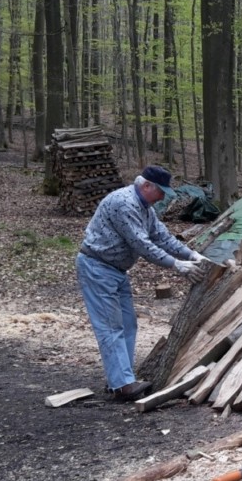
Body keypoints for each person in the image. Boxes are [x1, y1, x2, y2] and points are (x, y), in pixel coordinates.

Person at [76, 165, 208, 401]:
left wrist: (191, 255)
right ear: (146, 185)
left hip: (116, 270)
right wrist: (176, 265)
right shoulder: (124, 203)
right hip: (97, 267)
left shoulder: (145, 209)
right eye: (160, 192)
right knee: (111, 326)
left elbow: (162, 237)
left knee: (128, 324)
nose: (162, 197)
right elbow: (141, 244)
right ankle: (122, 385)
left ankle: (120, 378)